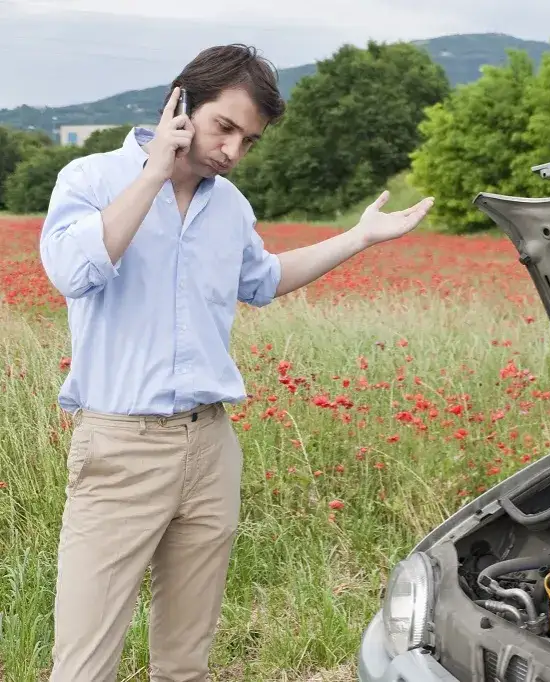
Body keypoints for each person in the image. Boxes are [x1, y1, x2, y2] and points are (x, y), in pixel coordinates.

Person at [37, 43, 433, 682]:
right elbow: (71, 272)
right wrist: (152, 177)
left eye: (249, 140)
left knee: (187, 662)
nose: (233, 151)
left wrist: (359, 237)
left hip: (210, 444)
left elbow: (265, 279)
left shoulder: (230, 207)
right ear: (181, 104)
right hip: (120, 445)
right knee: (84, 666)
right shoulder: (91, 179)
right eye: (226, 127)